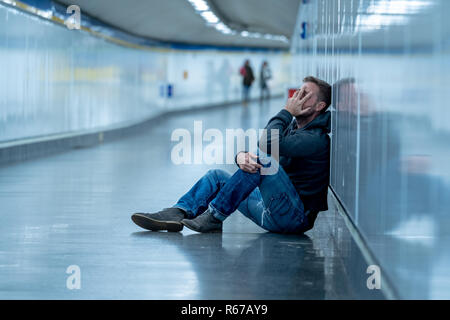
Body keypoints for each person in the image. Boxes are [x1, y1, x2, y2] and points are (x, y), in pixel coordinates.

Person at [132, 76, 332, 234]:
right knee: (217, 176)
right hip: (271, 207)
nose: (297, 97)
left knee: (262, 161)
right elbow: (265, 149)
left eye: (305, 94)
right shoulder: (294, 128)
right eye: (298, 91)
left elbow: (266, 144)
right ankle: (177, 212)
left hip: (293, 218)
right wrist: (240, 157)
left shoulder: (316, 138)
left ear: (319, 106)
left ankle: (214, 216)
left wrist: (286, 111)